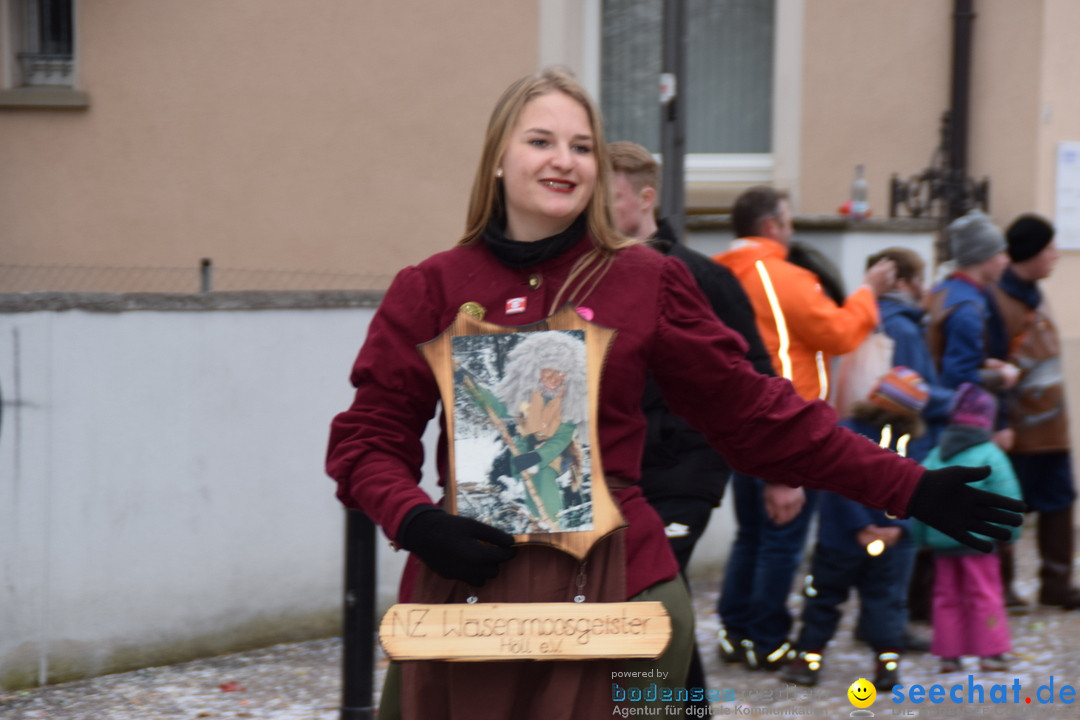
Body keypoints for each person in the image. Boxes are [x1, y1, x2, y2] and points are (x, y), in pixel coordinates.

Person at [324, 68, 1023, 720]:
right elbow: (367, 441)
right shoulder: (433, 287)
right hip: (463, 594)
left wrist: (909, 487)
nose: (563, 160)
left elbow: (758, 416)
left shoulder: (644, 281)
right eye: (540, 141)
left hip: (622, 593)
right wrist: (416, 521)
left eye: (581, 146)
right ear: (498, 160)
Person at [609, 140, 774, 714]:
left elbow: (756, 374)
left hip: (685, 470)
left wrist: (782, 475)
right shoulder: (586, 278)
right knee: (655, 599)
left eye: (612, 196)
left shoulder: (700, 276)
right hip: (615, 477)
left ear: (645, 197)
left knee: (648, 596)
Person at [712, 186, 897, 670]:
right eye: (788, 221)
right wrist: (868, 292)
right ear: (772, 226)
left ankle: (735, 634)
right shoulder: (782, 275)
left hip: (734, 425)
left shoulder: (715, 272)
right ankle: (767, 640)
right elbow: (835, 332)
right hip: (787, 426)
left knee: (751, 534)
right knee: (781, 540)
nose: (790, 232)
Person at [782, 366, 929, 690]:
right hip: (867, 541)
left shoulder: (849, 431)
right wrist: (891, 528)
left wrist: (882, 529)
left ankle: (810, 661)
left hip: (846, 540)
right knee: (879, 602)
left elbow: (837, 485)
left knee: (827, 601)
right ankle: (881, 665)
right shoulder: (902, 441)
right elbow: (918, 488)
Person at [925, 209, 1024, 607]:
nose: (1005, 260)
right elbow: (957, 380)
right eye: (1001, 253)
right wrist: (1002, 378)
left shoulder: (945, 291)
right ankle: (958, 604)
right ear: (984, 257)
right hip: (951, 425)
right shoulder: (968, 307)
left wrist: (987, 365)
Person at [993, 214, 1080, 609]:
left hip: (1052, 429)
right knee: (1008, 507)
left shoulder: (1034, 293)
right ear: (1030, 253)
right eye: (1049, 249)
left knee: (1060, 501)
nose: (1055, 256)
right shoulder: (1000, 300)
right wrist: (999, 421)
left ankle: (1057, 584)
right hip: (1018, 430)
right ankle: (1004, 585)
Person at [865, 247, 955, 628]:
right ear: (902, 282)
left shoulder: (878, 318)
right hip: (905, 442)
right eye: (921, 278)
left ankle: (879, 622)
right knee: (900, 538)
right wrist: (957, 400)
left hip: (885, 439)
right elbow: (913, 394)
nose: (926, 287)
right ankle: (887, 628)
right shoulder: (900, 325)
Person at [913, 383, 1023, 673]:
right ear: (987, 421)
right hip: (979, 542)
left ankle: (949, 655)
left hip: (942, 543)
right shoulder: (991, 455)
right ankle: (990, 653)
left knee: (945, 596)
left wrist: (920, 537)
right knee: (984, 593)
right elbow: (1006, 496)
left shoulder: (936, 455)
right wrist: (1010, 534)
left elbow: (919, 495)